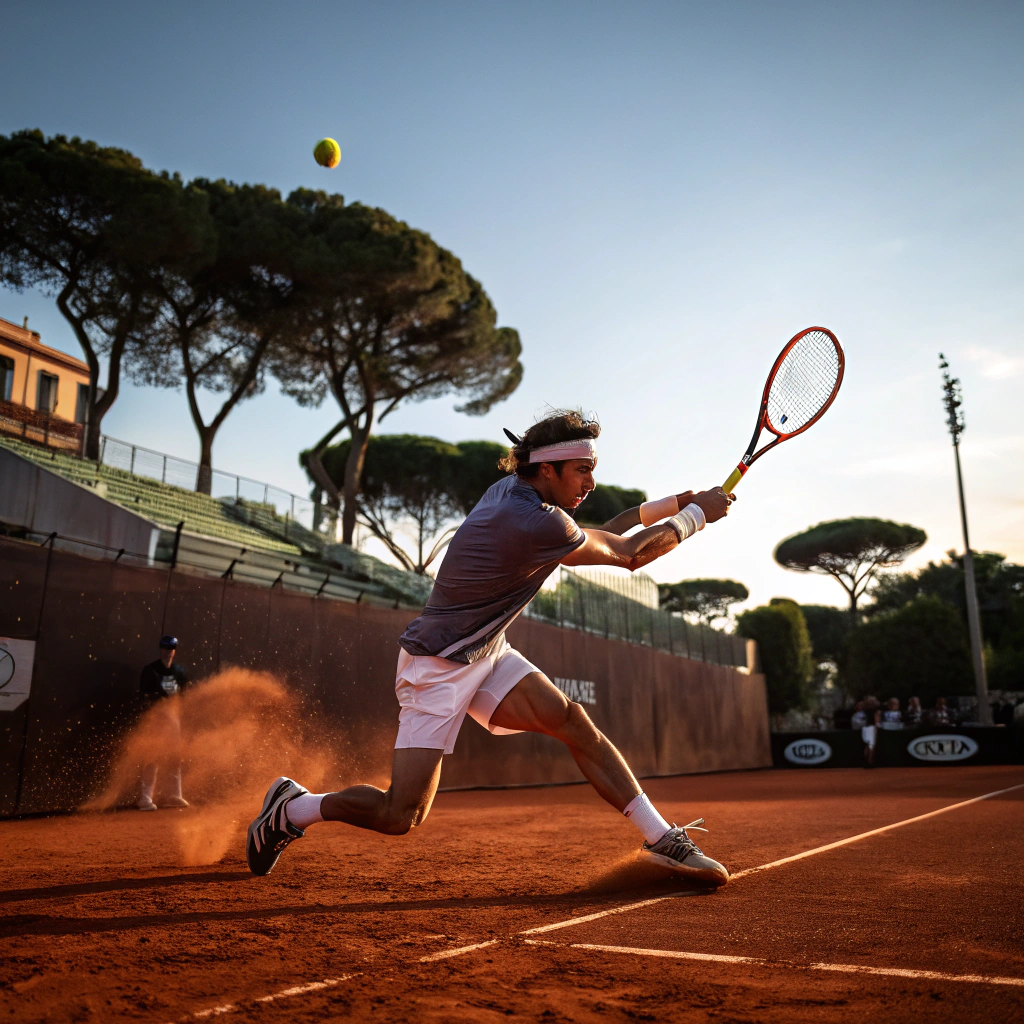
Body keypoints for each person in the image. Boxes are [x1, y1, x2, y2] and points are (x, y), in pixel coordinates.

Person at [246, 410, 735, 884]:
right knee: (400, 815)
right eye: (583, 470)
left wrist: (674, 504)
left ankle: (662, 838)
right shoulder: (536, 521)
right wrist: (697, 517)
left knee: (572, 722)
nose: (589, 482)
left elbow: (603, 532)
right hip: (437, 664)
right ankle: (293, 808)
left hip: (486, 651)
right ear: (548, 469)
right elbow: (628, 554)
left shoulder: (514, 490)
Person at [137, 635, 189, 811]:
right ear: (160, 649)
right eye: (165, 648)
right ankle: (145, 799)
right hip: (156, 720)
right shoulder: (151, 670)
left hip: (174, 720)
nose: (168, 651)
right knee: (152, 757)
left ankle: (174, 795)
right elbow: (145, 697)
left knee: (175, 757)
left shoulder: (179, 672)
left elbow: (184, 695)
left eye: (171, 648)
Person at [860, 696, 881, 767]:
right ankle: (870, 762)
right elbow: (876, 722)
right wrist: (876, 729)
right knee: (871, 746)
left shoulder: (865, 710)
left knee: (867, 745)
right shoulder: (876, 711)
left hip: (865, 728)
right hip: (871, 729)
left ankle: (866, 761)